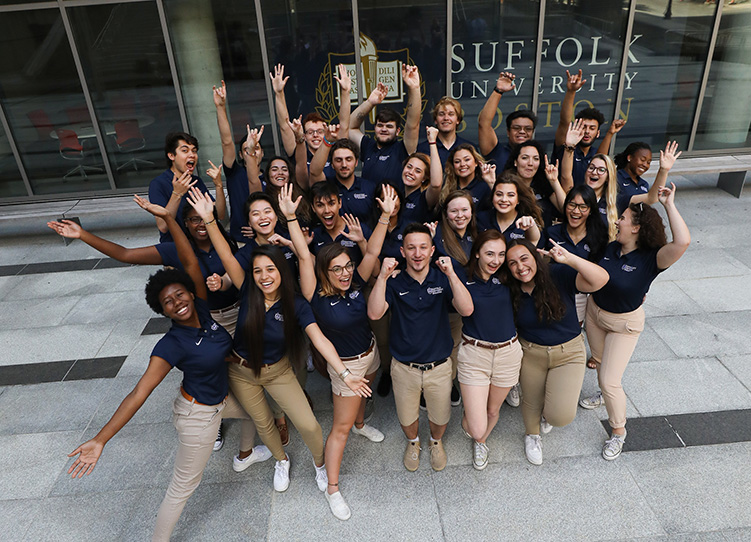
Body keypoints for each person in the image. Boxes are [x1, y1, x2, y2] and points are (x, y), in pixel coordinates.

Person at [66, 196, 269, 542]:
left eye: (180, 295)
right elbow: (139, 392)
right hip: (198, 417)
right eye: (168, 302)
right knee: (183, 487)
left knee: (253, 410)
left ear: (192, 293)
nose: (178, 302)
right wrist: (101, 439)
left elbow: (189, 261)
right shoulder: (170, 345)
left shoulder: (203, 310)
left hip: (219, 401)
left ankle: (245, 455)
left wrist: (169, 219)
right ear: (162, 311)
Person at [186, 188, 371, 493]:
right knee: (264, 424)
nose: (264, 276)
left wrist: (346, 374)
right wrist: (209, 220)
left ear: (282, 271)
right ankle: (280, 459)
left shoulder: (296, 303)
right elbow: (225, 255)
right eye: (257, 271)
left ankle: (320, 465)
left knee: (310, 425)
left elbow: (320, 339)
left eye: (270, 269)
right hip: (242, 372)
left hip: (279, 370)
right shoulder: (247, 289)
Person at [282, 183, 397, 520]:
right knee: (340, 428)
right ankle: (332, 487)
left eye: (348, 266)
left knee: (363, 401)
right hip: (343, 365)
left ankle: (363, 423)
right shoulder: (314, 293)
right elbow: (304, 254)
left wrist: (386, 215)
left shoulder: (358, 283)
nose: (346, 273)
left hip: (370, 353)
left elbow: (372, 253)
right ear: (324, 272)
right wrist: (290, 218)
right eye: (337, 269)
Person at [580, 183, 690, 460]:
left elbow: (682, 242)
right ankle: (603, 393)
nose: (617, 221)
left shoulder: (654, 258)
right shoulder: (610, 248)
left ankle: (618, 432)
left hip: (624, 325)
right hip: (595, 314)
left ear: (637, 227)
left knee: (609, 380)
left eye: (624, 219)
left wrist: (669, 204)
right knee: (599, 359)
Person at [367, 224, 474, 472]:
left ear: (432, 250)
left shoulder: (442, 278)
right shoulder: (394, 282)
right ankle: (413, 442)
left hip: (439, 365)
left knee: (440, 416)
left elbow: (467, 309)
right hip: (404, 367)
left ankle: (435, 442)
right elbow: (374, 312)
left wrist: (451, 275)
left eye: (423, 247)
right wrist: (382, 276)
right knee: (407, 417)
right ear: (403, 252)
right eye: (411, 248)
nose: (417, 253)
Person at [505, 238, 609, 465]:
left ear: (535, 257)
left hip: (569, 352)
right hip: (531, 352)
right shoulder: (510, 289)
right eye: (512, 263)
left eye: (524, 259)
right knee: (531, 400)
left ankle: (548, 413)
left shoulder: (557, 274)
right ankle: (532, 436)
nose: (520, 267)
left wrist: (569, 259)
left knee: (560, 416)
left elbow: (601, 279)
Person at [456, 230, 523, 470]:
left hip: (508, 353)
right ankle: (476, 425)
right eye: (490, 254)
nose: (496, 260)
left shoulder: (508, 276)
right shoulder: (463, 277)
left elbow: (530, 254)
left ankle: (481, 443)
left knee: (493, 410)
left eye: (501, 254)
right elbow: (463, 308)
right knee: (474, 427)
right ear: (476, 254)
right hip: (475, 354)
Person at [348, 64, 422, 185]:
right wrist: (370, 103)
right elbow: (350, 127)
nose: (383, 129)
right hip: (370, 203)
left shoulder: (403, 148)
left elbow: (413, 124)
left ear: (398, 131)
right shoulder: (368, 146)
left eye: (389, 126)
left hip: (394, 202)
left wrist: (414, 88)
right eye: (380, 125)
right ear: (375, 128)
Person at [148, 132, 224, 242]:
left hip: (202, 242)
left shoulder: (196, 181)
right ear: (171, 156)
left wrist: (218, 185)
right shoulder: (158, 184)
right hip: (176, 245)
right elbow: (163, 226)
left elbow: (220, 215)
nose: (192, 155)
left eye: (194, 151)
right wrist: (177, 194)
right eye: (185, 150)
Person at [212, 80, 263, 243]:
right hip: (239, 241)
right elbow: (227, 142)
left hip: (266, 239)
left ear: (263, 153)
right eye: (247, 150)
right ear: (241, 155)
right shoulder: (234, 173)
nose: (252, 152)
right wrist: (220, 108)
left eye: (256, 149)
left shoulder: (272, 176)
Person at [560, 121, 619, 241]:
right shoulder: (576, 194)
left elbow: (650, 198)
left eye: (601, 170)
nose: (594, 172)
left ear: (609, 176)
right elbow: (566, 176)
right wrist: (569, 148)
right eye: (591, 168)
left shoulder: (615, 200)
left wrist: (664, 170)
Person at [552, 70, 608, 185]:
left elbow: (603, 157)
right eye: (583, 127)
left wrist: (611, 133)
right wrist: (571, 91)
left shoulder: (595, 154)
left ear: (598, 133)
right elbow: (564, 122)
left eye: (592, 128)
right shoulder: (566, 146)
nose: (587, 132)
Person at [478, 71, 537, 168]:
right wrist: (498, 91)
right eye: (517, 128)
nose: (522, 131)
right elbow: (484, 124)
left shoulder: (537, 158)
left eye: (528, 129)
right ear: (508, 132)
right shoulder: (496, 153)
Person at [311, 137, 377, 223]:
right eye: (338, 160)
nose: (344, 164)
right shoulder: (326, 186)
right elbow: (314, 172)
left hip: (364, 235)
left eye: (348, 159)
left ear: (356, 162)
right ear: (332, 164)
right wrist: (327, 141)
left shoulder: (370, 187)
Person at [308, 181, 372, 265]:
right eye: (320, 205)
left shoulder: (360, 230)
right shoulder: (313, 235)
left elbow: (376, 271)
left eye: (331, 204)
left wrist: (362, 242)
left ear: (340, 203)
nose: (327, 210)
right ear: (313, 208)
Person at [504, 140, 562, 227]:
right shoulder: (506, 185)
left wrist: (554, 181)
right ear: (515, 162)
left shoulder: (543, 186)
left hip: (542, 238)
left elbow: (566, 210)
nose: (530, 163)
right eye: (525, 158)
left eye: (536, 159)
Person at [476, 172, 542, 246]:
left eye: (510, 195)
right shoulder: (481, 218)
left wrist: (531, 226)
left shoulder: (525, 222)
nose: (504, 199)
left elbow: (534, 240)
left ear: (518, 199)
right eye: (499, 194)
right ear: (492, 197)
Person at [614, 141, 681, 213]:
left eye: (648, 162)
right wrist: (663, 170)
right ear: (629, 158)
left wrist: (665, 169)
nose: (645, 165)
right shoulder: (615, 178)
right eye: (642, 160)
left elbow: (650, 200)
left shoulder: (644, 184)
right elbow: (651, 198)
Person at [416, 97, 476, 168]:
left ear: (458, 120)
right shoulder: (423, 149)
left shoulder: (469, 148)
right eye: (441, 114)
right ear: (435, 120)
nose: (446, 118)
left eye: (451, 114)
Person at [439, 144, 495, 209]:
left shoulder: (485, 186)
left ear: (476, 162)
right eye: (457, 162)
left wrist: (492, 183)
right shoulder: (446, 187)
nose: (462, 164)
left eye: (467, 160)